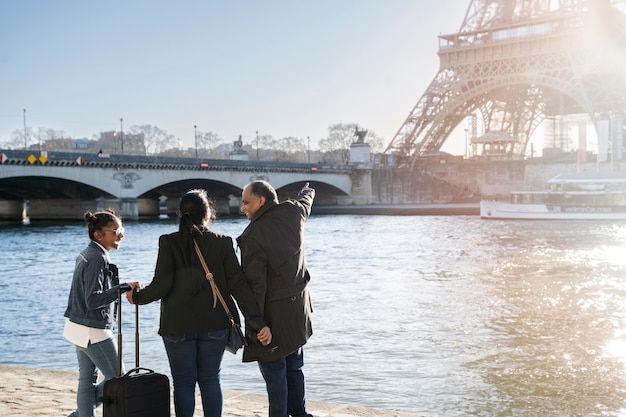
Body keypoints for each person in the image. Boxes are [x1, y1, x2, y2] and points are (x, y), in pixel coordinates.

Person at [126, 189, 272, 417]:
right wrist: (257, 321)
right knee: (210, 379)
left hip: (177, 326)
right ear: (208, 214)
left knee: (183, 382)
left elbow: (161, 286)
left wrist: (136, 297)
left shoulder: (168, 242)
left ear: (180, 214)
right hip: (215, 325)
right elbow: (238, 287)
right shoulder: (222, 243)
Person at [237, 180, 315, 417]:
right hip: (297, 313)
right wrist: (307, 191)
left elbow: (255, 288)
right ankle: (300, 414)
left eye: (246, 202)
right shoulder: (294, 212)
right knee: (294, 368)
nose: (242, 208)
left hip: (272, 319)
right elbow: (306, 203)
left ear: (261, 201)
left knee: (275, 379)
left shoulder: (251, 236)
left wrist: (258, 325)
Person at [63, 209, 140, 417]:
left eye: (121, 229)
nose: (121, 234)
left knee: (86, 381)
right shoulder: (97, 257)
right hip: (92, 329)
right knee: (118, 377)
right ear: (99, 235)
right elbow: (93, 299)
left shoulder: (87, 253)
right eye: (115, 231)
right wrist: (123, 288)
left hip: (78, 326)